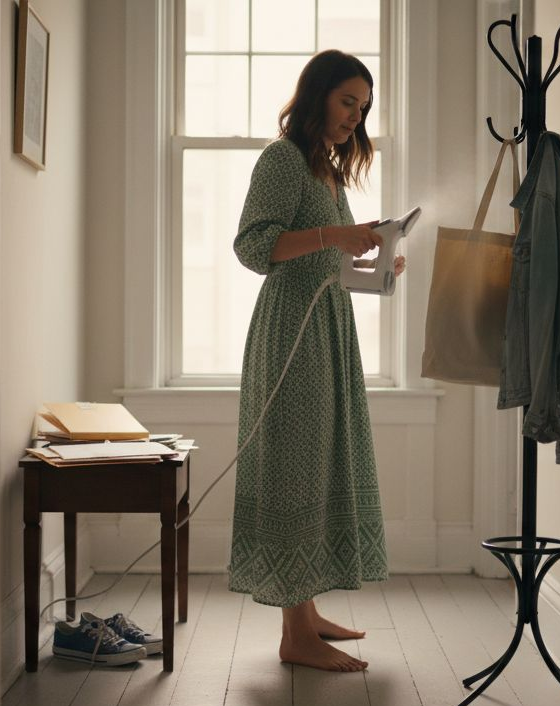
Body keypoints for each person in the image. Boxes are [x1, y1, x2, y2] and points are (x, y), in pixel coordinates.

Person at [229, 50, 405, 673]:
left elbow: (321, 263)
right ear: (317, 96)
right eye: (346, 102)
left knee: (321, 465)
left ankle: (307, 617)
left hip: (327, 328)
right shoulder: (281, 160)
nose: (354, 118)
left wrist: (371, 263)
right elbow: (254, 247)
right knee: (296, 471)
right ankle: (293, 636)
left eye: (362, 108)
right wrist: (337, 236)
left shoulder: (325, 171)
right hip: (291, 335)